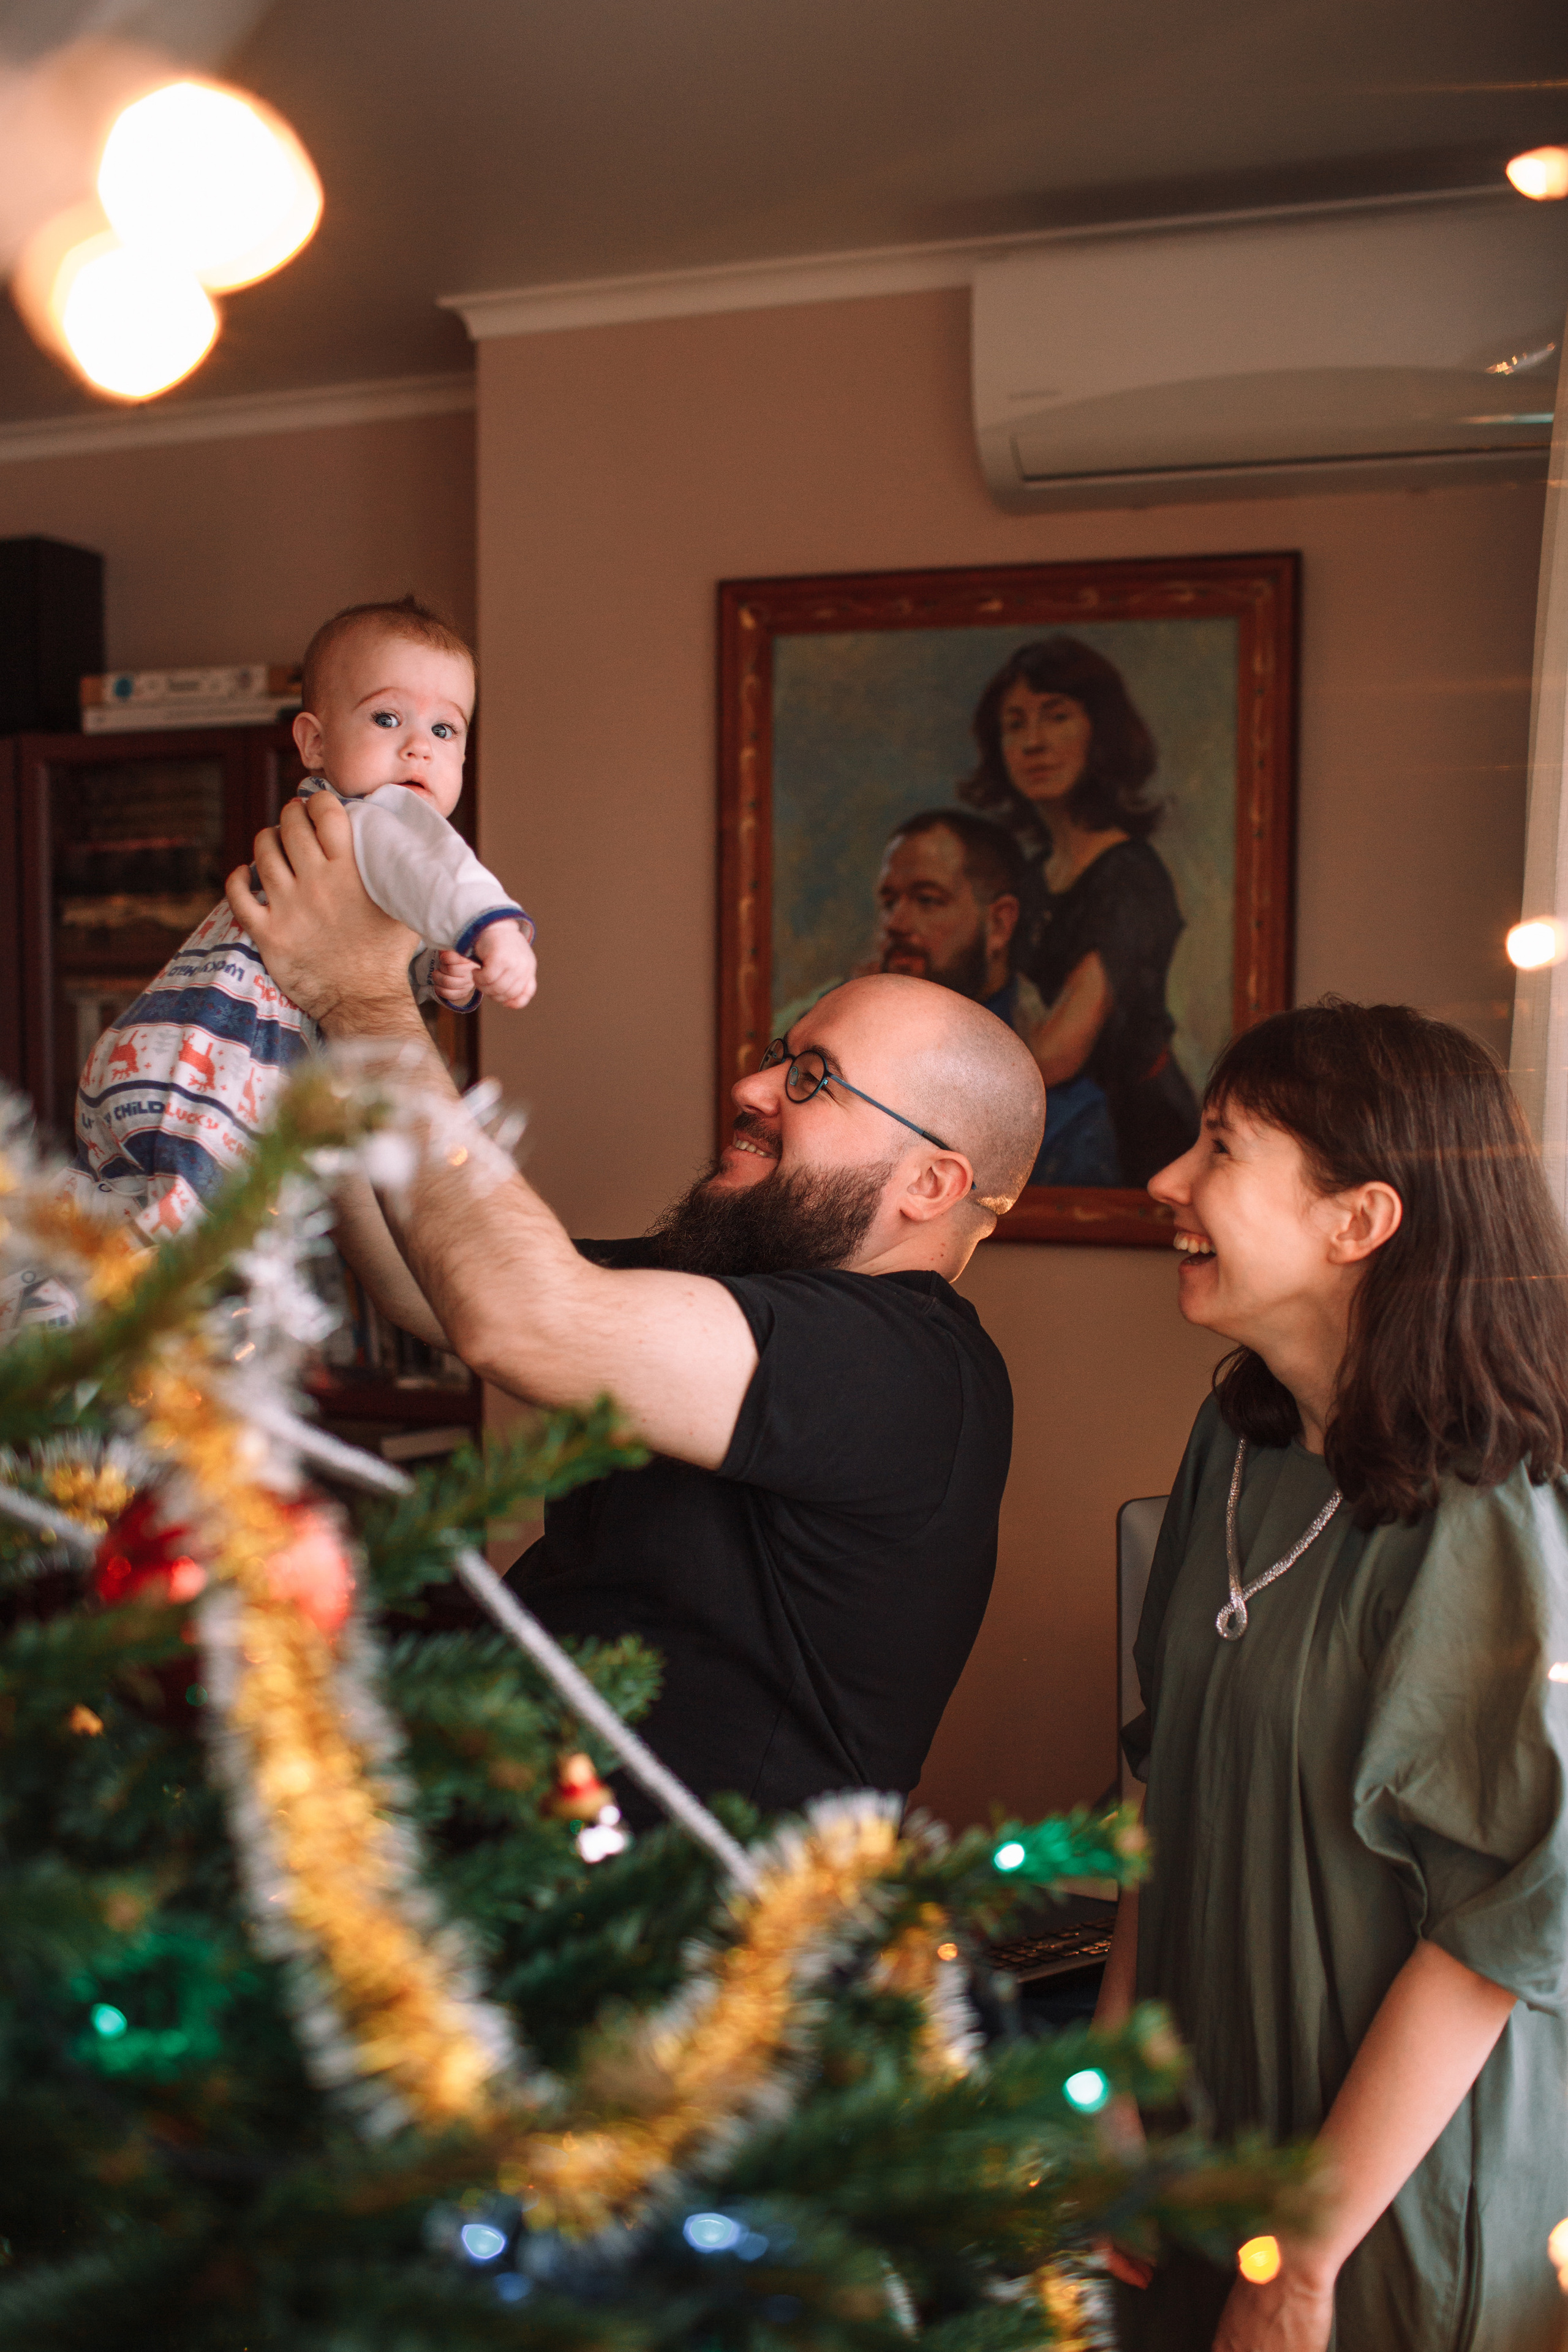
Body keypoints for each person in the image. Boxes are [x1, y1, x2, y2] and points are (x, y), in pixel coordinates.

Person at [227, 790, 1047, 1822]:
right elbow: (427, 1282)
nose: (752, 1087)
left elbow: (519, 1318)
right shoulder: (737, 1282)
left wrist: (362, 1003)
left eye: (812, 1079)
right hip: (515, 1867)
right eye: (778, 1053)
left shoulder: (902, 1365)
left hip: (686, 1942)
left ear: (930, 1185)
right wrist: (318, 1023)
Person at [1097, 1000, 1568, 2352]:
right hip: (1200, 2136)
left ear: (1356, 1221)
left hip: (1379, 2193)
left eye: (1219, 1147)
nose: (1165, 1183)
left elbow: (1501, 1925)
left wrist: (1297, 2263)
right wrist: (1113, 2081)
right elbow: (1160, 1781)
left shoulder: (1483, 1509)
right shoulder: (1229, 1444)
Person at [70, 597, 536, 1238]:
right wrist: (496, 931)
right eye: (387, 717)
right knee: (174, 1259)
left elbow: (373, 931)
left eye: (444, 730)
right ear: (315, 742)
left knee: (112, 1228)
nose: (417, 748)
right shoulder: (374, 814)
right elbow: (441, 872)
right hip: (221, 1061)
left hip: (153, 1055)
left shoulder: (336, 832)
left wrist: (436, 969)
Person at [958, 636, 1199, 1187]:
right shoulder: (1031, 875)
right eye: (1015, 724)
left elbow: (1053, 1056)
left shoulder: (1131, 875)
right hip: (1049, 1128)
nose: (1033, 742)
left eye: (1056, 716)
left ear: (1102, 732)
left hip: (1130, 1137)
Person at [872, 809, 1120, 1189]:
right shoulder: (854, 1067)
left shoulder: (1069, 1115)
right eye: (890, 902)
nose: (896, 923)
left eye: (927, 900)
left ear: (1001, 924)